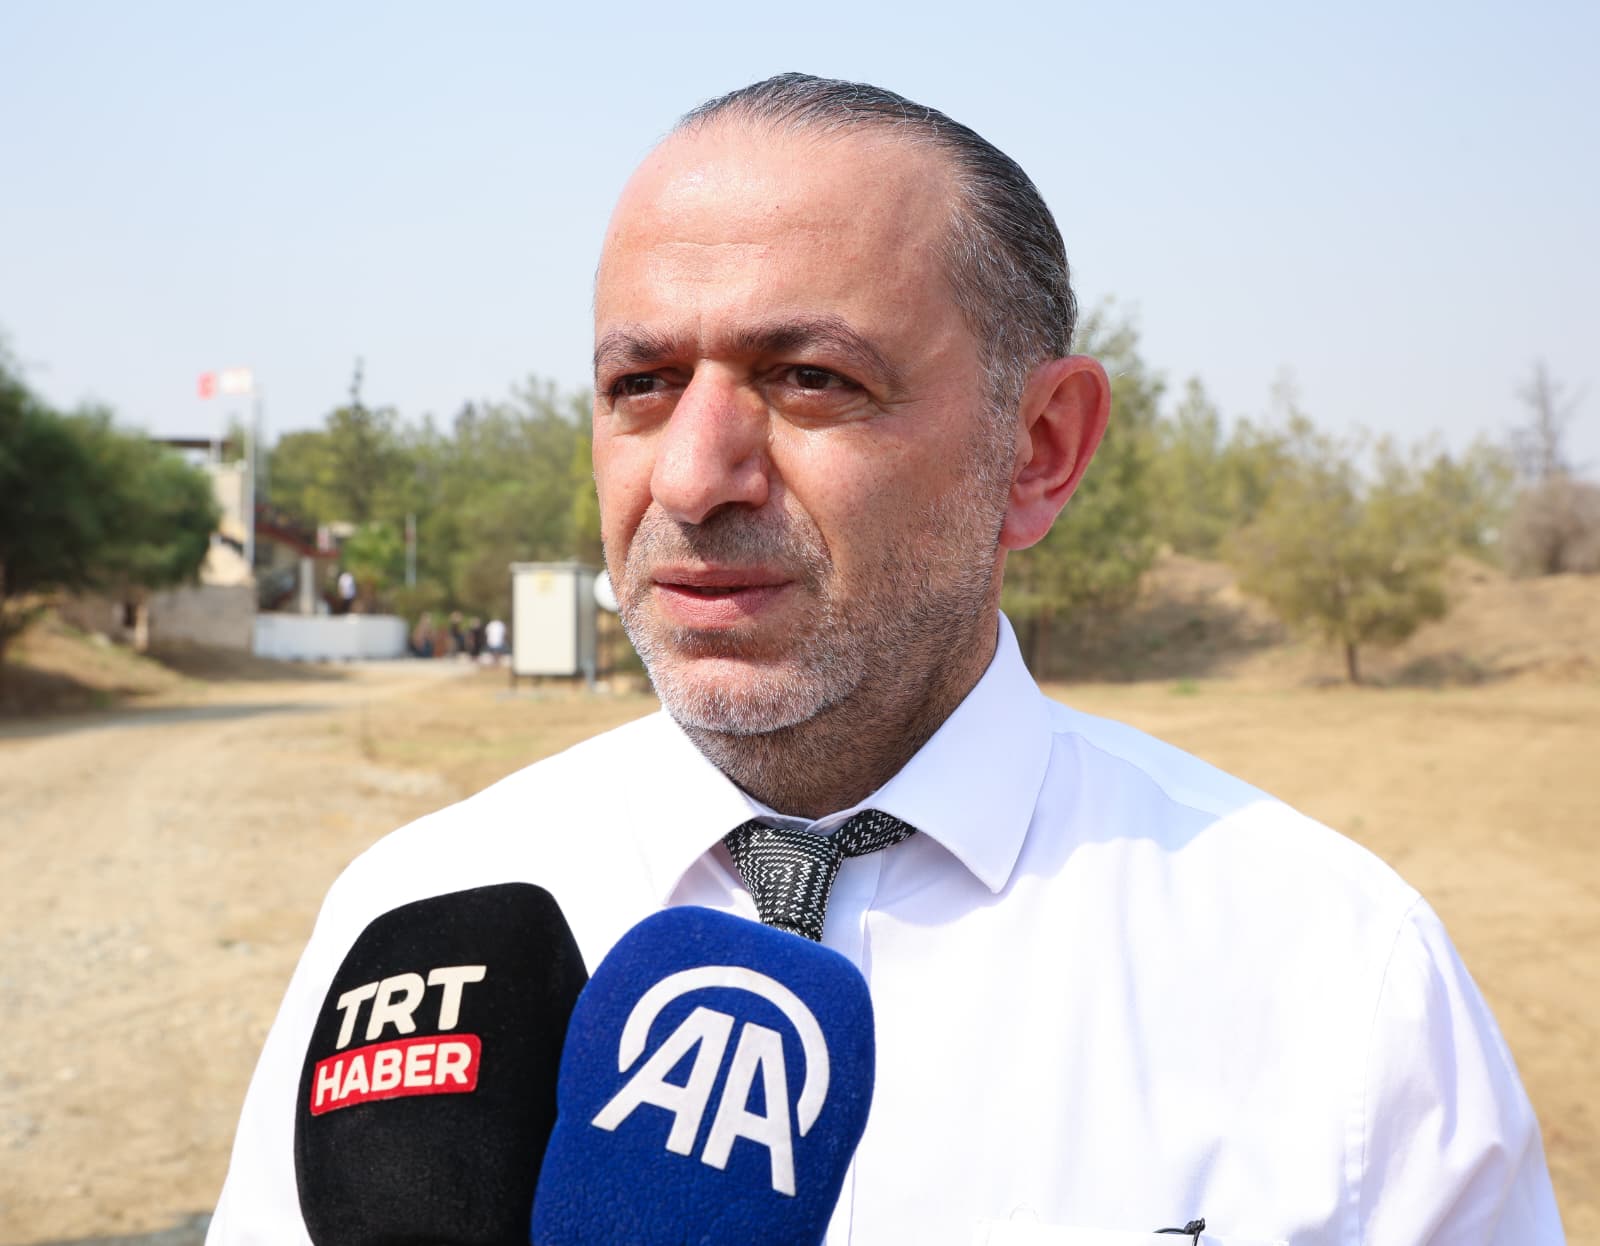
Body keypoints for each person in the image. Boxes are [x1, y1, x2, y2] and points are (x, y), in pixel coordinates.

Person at [209, 75, 1563, 1243]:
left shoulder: (1338, 977)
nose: (692, 475)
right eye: (641, 385)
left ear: (1039, 449)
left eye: (810, 378)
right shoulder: (418, 924)